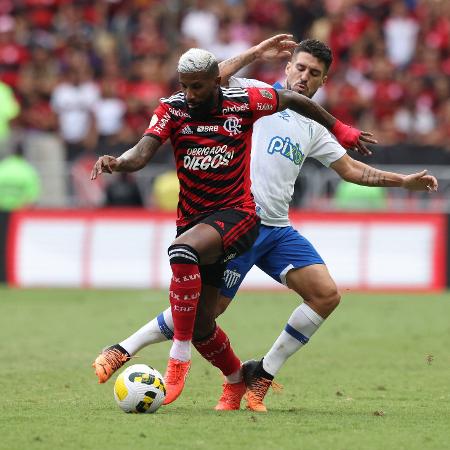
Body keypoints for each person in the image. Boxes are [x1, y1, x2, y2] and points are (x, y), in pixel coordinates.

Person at [90, 35, 380, 408]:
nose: (305, 77)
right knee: (202, 318)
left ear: (324, 81)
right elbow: (210, 77)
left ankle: (241, 367)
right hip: (214, 218)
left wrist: (401, 179)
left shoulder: (309, 125)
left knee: (325, 294)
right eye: (301, 67)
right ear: (287, 66)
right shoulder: (248, 92)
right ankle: (232, 377)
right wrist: (256, 53)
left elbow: (352, 169)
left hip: (262, 224)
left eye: (315, 73)